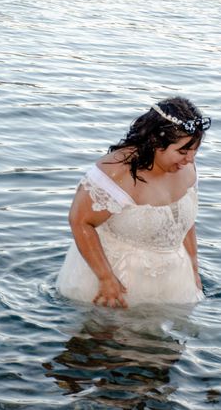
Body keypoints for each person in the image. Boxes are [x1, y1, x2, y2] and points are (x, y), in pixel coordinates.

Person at [56, 96, 211, 308]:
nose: (190, 160)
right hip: (117, 281)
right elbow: (79, 220)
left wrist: (193, 268)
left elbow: (184, 223)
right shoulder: (116, 172)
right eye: (182, 151)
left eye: (195, 151)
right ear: (157, 143)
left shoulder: (185, 168)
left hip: (174, 282)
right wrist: (105, 278)